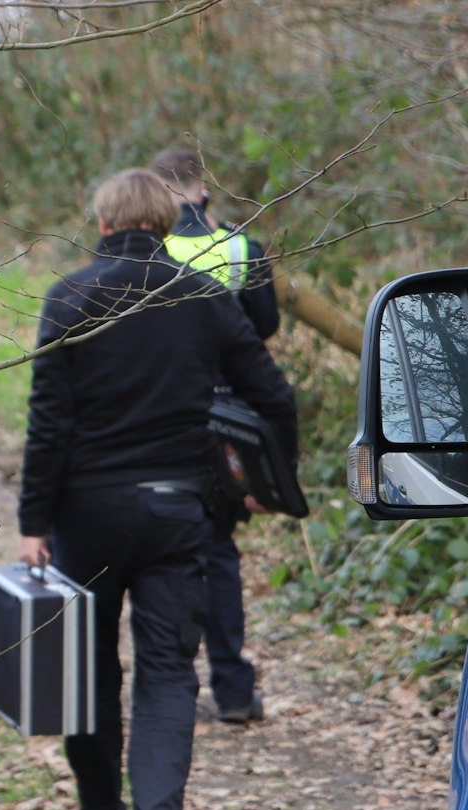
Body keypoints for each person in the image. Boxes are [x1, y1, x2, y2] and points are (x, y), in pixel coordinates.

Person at [19, 169, 297, 810]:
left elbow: (49, 424)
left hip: (87, 516)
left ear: (104, 224)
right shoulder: (203, 296)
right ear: (169, 226)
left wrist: (32, 523)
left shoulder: (70, 298)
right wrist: (273, 485)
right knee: (168, 672)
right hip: (179, 511)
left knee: (90, 673)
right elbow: (273, 394)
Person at [152, 147, 279, 726]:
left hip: (168, 414)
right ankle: (231, 688)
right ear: (202, 186)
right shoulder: (239, 245)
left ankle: (173, 685)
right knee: (221, 552)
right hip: (229, 414)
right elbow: (267, 324)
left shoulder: (152, 250)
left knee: (174, 553)